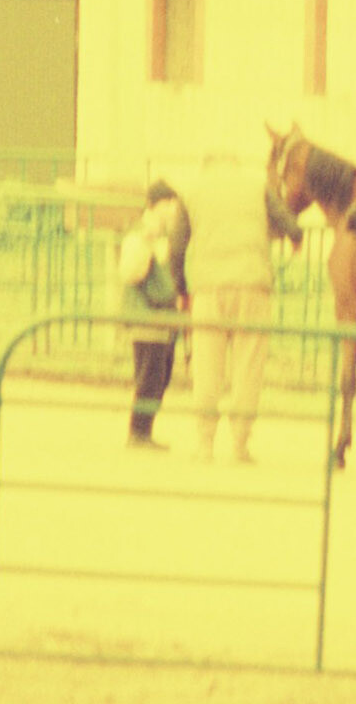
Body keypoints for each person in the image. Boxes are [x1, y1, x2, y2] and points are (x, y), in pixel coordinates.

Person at [179, 125, 292, 465]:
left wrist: (181, 289)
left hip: (208, 289)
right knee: (248, 367)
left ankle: (204, 443)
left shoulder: (193, 190)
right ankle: (240, 445)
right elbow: (287, 221)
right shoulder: (257, 186)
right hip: (252, 286)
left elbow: (176, 244)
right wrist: (290, 236)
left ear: (207, 164)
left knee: (207, 365)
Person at [116, 180, 192, 449]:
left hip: (162, 320)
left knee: (160, 377)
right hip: (146, 317)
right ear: (154, 205)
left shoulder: (163, 237)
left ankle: (144, 431)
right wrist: (148, 248)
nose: (173, 209)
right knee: (149, 377)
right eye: (168, 204)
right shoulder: (140, 236)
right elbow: (130, 273)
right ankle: (138, 432)